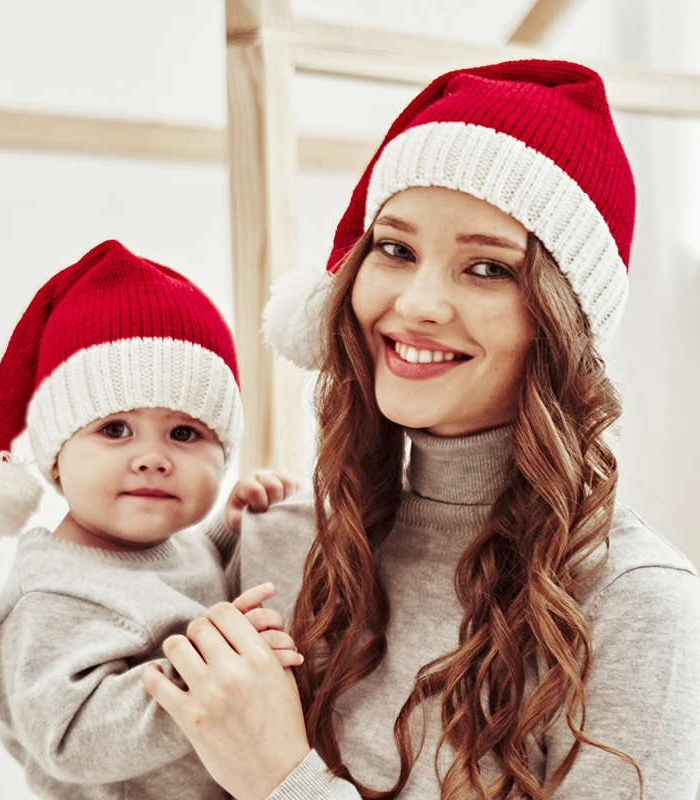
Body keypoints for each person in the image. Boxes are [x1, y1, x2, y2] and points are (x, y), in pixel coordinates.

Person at [141, 60, 700, 799]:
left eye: (488, 269)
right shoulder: (276, 544)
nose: (419, 303)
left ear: (563, 322)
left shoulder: (632, 607)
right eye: (396, 250)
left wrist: (284, 780)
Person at [0, 240, 302, 800]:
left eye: (185, 434)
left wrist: (232, 529)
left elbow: (186, 572)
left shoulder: (174, 544)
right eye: (115, 430)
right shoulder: (51, 595)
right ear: (57, 453)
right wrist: (206, 675)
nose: (152, 457)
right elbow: (68, 738)